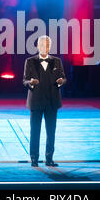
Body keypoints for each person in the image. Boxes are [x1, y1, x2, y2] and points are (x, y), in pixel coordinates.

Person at [22, 35, 66, 167]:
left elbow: (63, 78)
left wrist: (60, 82)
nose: (44, 47)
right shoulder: (30, 61)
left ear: (50, 47)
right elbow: (24, 80)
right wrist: (31, 82)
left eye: (47, 45)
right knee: (35, 131)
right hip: (36, 101)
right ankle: (34, 158)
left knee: (51, 131)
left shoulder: (57, 61)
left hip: (52, 102)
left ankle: (49, 159)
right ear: (37, 46)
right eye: (42, 45)